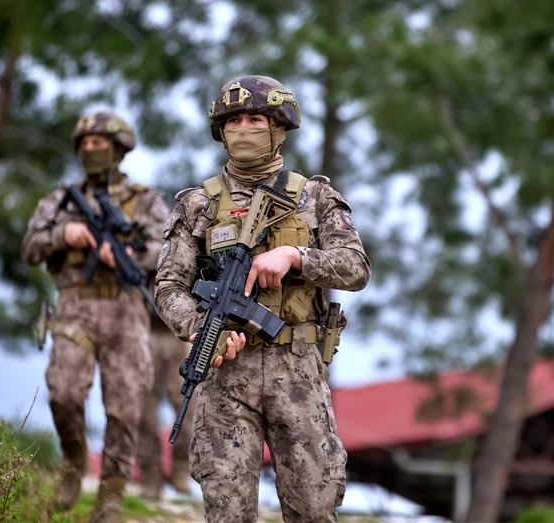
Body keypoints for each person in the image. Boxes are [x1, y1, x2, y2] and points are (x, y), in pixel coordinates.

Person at [155, 76, 371, 523]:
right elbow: (168, 286)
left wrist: (297, 256)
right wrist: (200, 329)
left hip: (298, 370)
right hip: (225, 381)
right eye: (234, 120)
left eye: (255, 119)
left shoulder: (315, 198)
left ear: (278, 128)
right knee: (227, 512)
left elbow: (355, 267)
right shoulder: (198, 205)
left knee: (313, 508)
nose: (244, 128)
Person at [20, 112, 169, 523]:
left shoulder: (147, 200)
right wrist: (62, 235)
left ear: (120, 147)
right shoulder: (59, 198)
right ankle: (73, 462)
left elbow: (169, 251)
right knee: (63, 392)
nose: (90, 150)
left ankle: (111, 497)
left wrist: (128, 257)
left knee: (126, 406)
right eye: (84, 144)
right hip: (75, 305)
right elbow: (30, 247)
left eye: (98, 142)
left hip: (126, 310)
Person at [135, 310, 195, 501]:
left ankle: (181, 470)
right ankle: (151, 473)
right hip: (146, 329)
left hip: (181, 331)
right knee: (145, 407)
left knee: (187, 403)